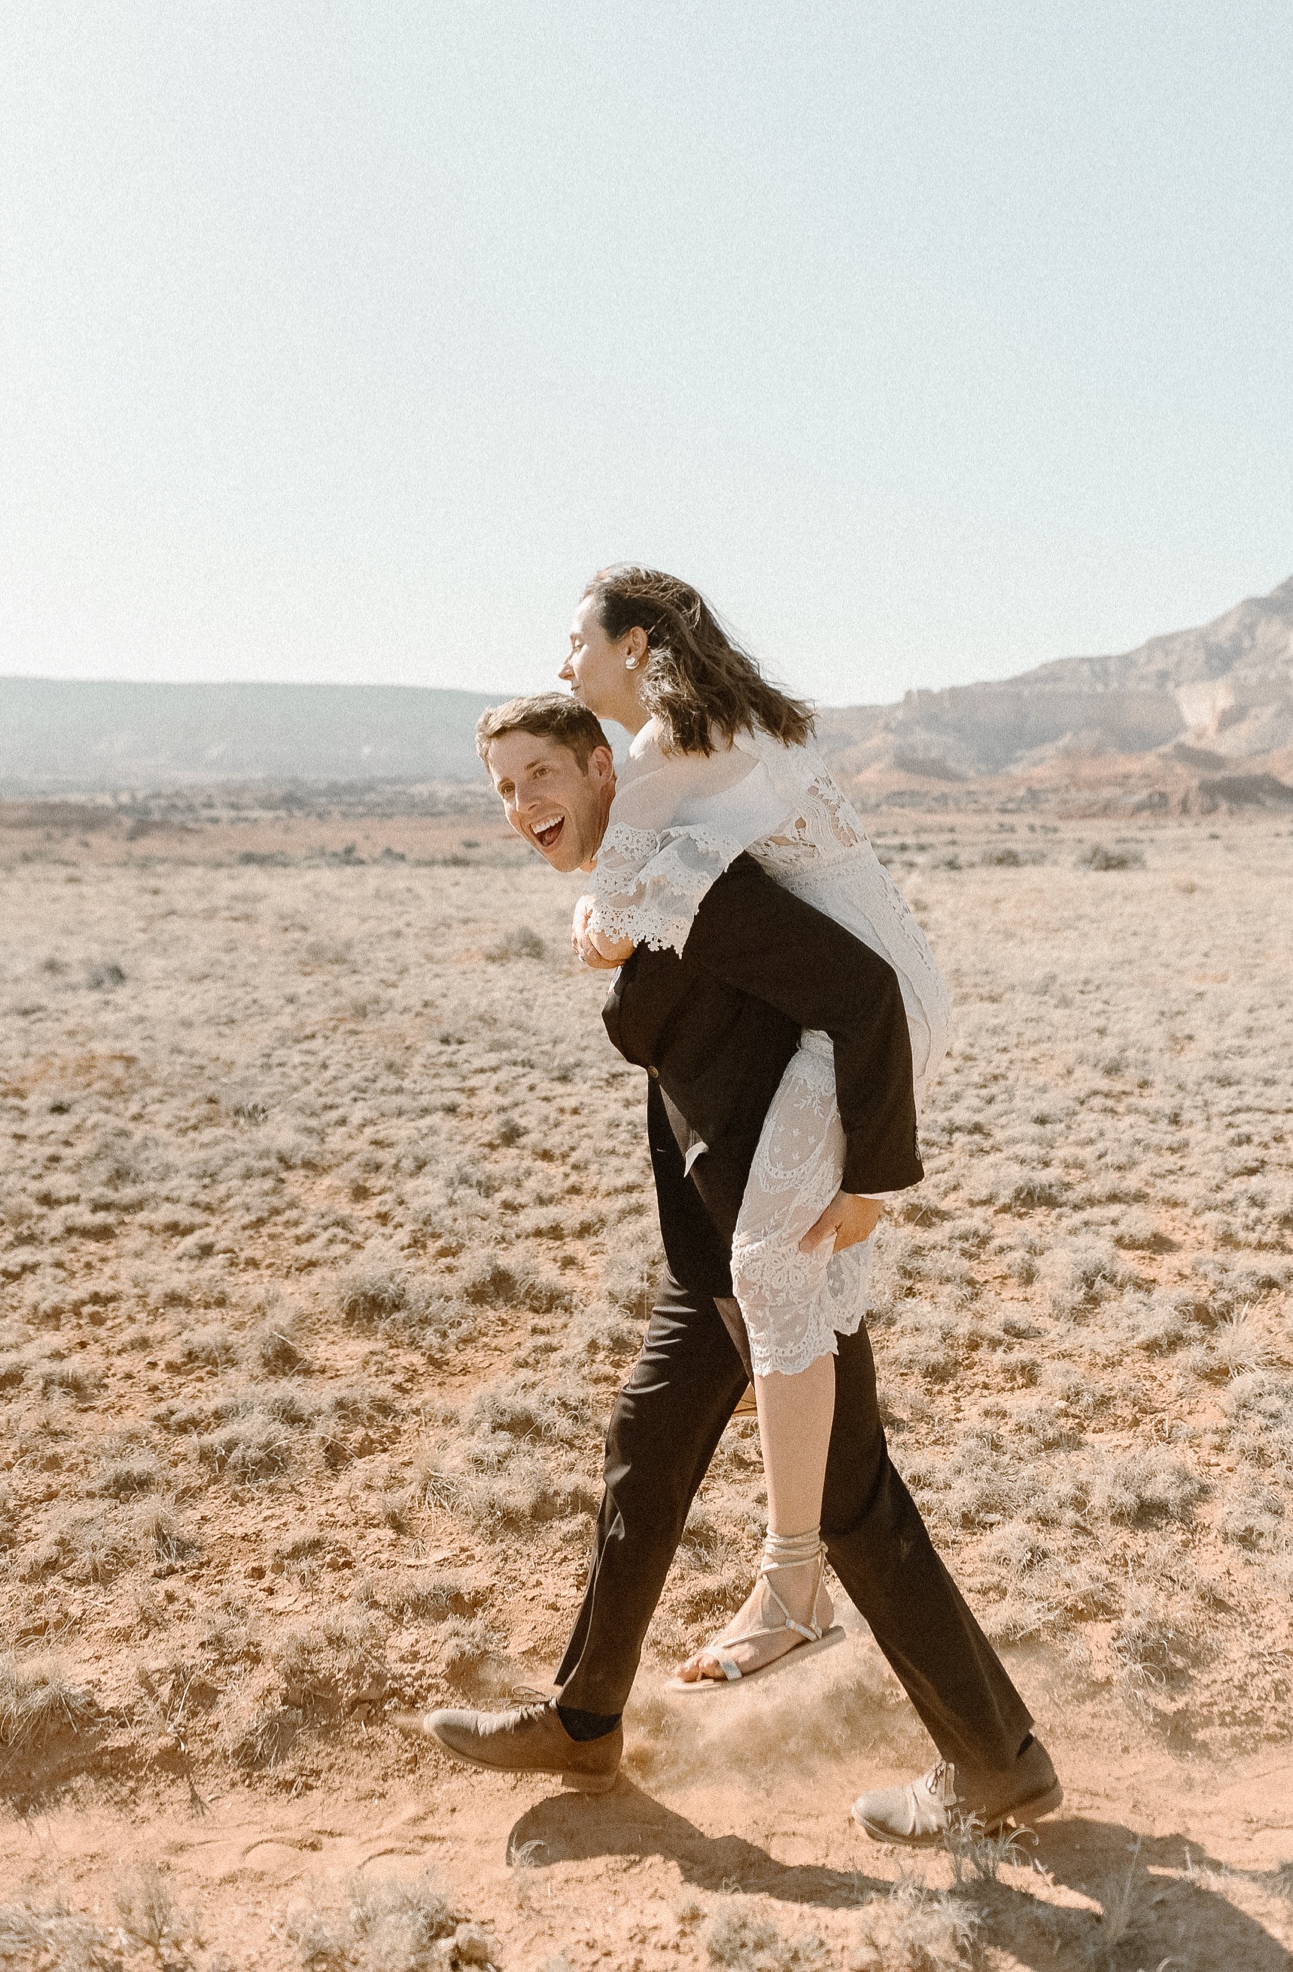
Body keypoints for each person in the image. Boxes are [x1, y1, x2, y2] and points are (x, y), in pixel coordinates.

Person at [402, 694, 1060, 1844]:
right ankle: (587, 1715)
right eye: (504, 788)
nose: (525, 806)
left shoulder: (693, 879)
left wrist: (867, 1182)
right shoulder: (636, 885)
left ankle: (994, 1759)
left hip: (781, 1233)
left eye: (544, 773)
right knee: (646, 1449)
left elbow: (860, 996)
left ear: (607, 766)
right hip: (711, 1238)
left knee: (848, 1496)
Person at [559, 566, 952, 1689]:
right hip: (887, 999)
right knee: (787, 1281)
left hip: (865, 1018)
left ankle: (793, 1588)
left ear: (635, 644)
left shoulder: (662, 753)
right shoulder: (733, 727)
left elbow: (606, 922)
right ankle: (801, 1582)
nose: (563, 664)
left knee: (771, 1264)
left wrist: (607, 903)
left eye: (575, 639)